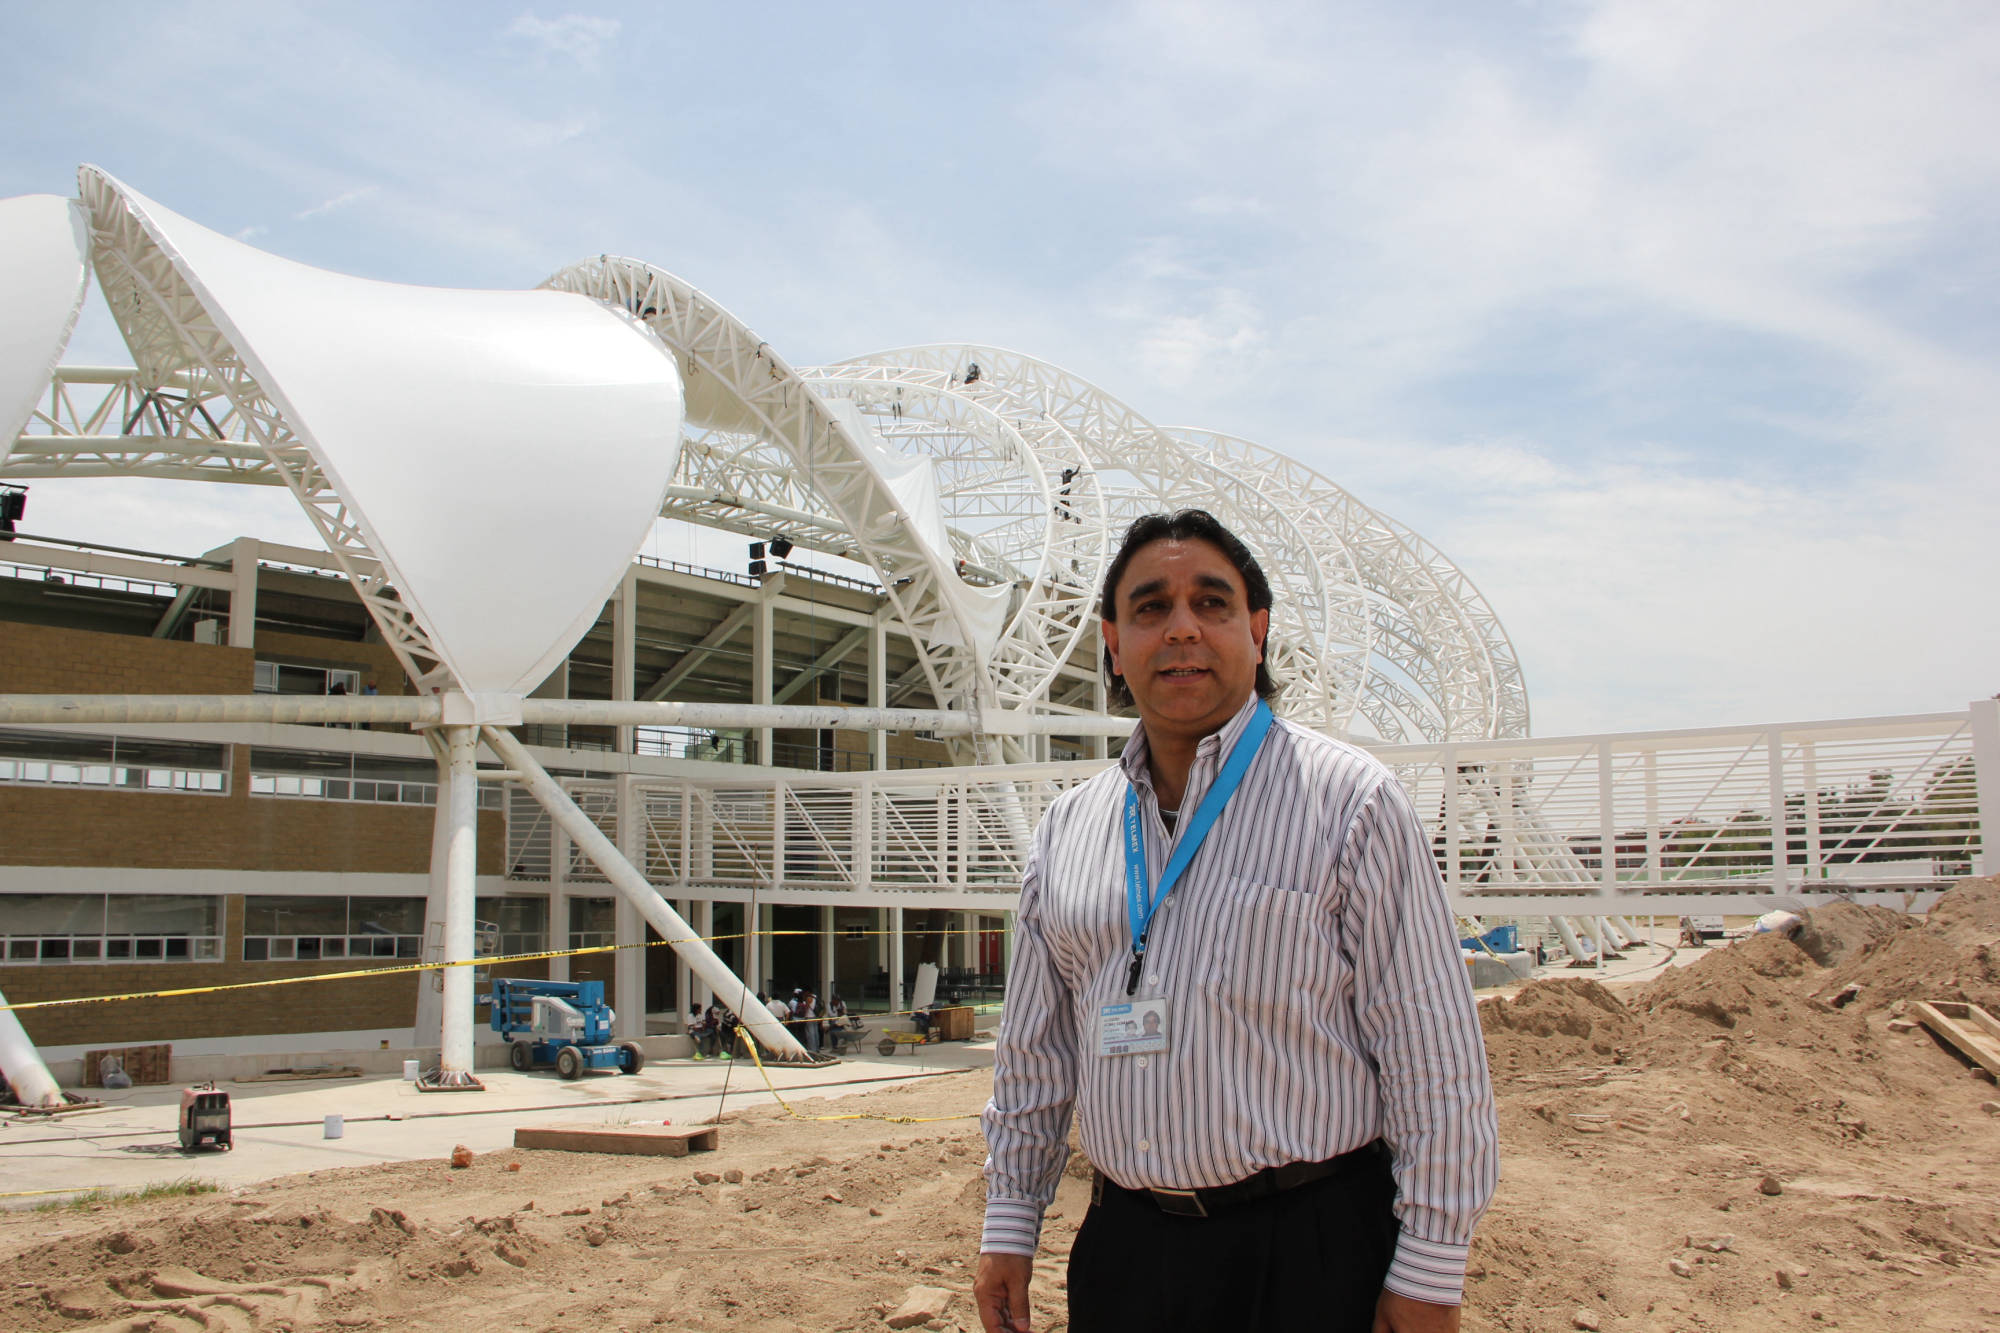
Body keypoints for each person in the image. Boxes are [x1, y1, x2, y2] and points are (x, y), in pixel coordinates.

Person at [975, 510, 1498, 1333]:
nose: (1182, 627)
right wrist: (1010, 1224)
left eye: (1210, 603)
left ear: (1256, 630)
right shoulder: (1069, 830)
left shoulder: (1349, 804)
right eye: (1150, 607)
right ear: (1113, 643)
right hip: (1127, 1250)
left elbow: (1430, 1054)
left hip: (1311, 1250)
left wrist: (1431, 1268)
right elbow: (1035, 1053)